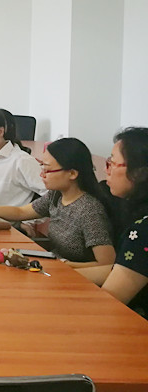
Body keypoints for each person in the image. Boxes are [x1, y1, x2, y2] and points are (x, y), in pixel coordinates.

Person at [0, 137, 115, 268]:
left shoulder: (89, 210)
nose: (42, 174)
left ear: (72, 173)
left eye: (47, 170)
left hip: (75, 278)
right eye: (42, 167)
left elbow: (106, 264)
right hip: (54, 267)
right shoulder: (56, 196)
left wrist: (64, 265)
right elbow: (21, 212)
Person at [77, 128, 148, 317]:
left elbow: (109, 304)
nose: (105, 170)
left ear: (139, 173)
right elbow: (125, 269)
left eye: (112, 163)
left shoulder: (143, 232)